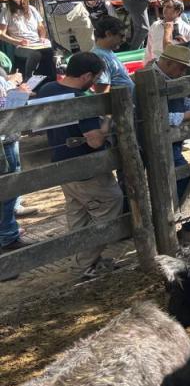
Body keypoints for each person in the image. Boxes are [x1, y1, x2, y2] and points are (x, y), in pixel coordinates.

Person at [34, 52, 123, 276]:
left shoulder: (47, 90)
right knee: (110, 205)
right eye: (95, 77)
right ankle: (83, 265)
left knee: (79, 215)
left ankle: (88, 262)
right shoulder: (81, 99)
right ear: (85, 76)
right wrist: (107, 121)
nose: (96, 82)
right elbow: (94, 141)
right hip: (87, 169)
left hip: (61, 164)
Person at [145, 44, 190, 238]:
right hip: (156, 143)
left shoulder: (165, 77)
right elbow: (156, 116)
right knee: (182, 180)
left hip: (169, 142)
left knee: (180, 179)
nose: (183, 71)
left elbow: (179, 101)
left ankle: (186, 225)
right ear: (168, 63)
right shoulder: (151, 79)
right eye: (181, 67)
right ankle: (189, 228)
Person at [0, 73, 30, 265]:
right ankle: (7, 235)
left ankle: (8, 230)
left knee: (11, 185)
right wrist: (16, 93)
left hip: (8, 136)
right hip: (3, 139)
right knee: (7, 187)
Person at [0, 0, 55, 79]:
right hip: (20, 46)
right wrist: (17, 42)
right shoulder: (6, 11)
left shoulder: (32, 9)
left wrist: (42, 37)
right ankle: (29, 80)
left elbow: (41, 28)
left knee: (50, 51)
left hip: (37, 42)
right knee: (37, 54)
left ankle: (50, 80)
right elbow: (1, 34)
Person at [90, 16, 134, 94]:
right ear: (108, 34)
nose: (124, 40)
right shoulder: (100, 57)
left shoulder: (107, 52)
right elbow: (102, 93)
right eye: (121, 36)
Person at [143, 0, 190, 64]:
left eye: (168, 7)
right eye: (164, 6)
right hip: (156, 64)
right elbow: (149, 47)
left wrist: (185, 43)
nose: (164, 9)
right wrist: (146, 64)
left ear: (177, 11)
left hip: (175, 65)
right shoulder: (155, 25)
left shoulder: (186, 28)